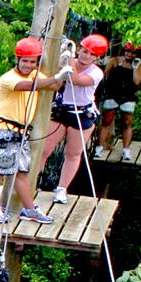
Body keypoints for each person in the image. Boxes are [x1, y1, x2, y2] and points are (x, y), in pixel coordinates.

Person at [0, 37, 70, 225]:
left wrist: (62, 67)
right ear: (17, 59)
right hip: (4, 130)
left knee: (22, 172)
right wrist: (56, 77)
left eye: (32, 62)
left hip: (20, 132)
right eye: (25, 61)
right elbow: (29, 87)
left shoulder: (33, 75)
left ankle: (30, 209)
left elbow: (53, 86)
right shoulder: (8, 79)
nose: (28, 65)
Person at [40, 34, 108, 204]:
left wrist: (69, 57)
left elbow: (75, 79)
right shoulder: (68, 61)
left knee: (73, 153)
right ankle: (32, 180)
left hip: (81, 113)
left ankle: (62, 189)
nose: (86, 56)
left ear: (97, 57)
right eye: (84, 51)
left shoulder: (96, 73)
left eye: (91, 54)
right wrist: (62, 53)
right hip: (62, 110)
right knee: (44, 149)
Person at [96, 42, 141, 161]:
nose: (129, 54)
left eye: (133, 52)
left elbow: (137, 81)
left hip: (128, 96)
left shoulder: (140, 65)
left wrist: (135, 68)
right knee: (106, 121)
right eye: (127, 51)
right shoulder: (115, 61)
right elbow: (105, 75)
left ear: (137, 54)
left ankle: (126, 150)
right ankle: (99, 147)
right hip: (112, 95)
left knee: (127, 123)